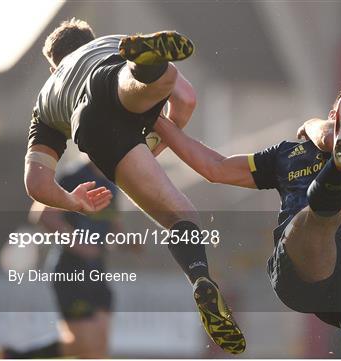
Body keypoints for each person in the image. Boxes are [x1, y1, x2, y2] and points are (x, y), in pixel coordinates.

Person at [153, 72, 341, 358]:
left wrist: (311, 124)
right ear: (336, 111)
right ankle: (331, 184)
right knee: (323, 217)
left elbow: (331, 138)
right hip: (297, 262)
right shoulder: (287, 154)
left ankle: (333, 180)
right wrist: (157, 120)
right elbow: (216, 167)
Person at [23, 18, 245, 354]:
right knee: (134, 86)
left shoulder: (48, 96)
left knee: (178, 214)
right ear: (89, 40)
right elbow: (185, 100)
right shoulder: (109, 42)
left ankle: (201, 280)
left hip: (91, 129)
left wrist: (72, 201)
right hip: (116, 84)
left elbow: (36, 183)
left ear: (54, 65)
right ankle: (148, 66)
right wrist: (156, 146)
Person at [3, 161, 121, 358]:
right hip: (70, 269)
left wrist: (130, 241)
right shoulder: (73, 177)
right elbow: (41, 214)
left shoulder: (112, 182)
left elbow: (113, 225)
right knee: (85, 342)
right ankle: (17, 357)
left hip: (97, 270)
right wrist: (80, 245)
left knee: (98, 345)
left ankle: (16, 357)